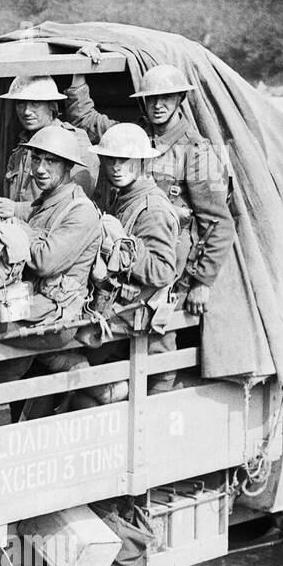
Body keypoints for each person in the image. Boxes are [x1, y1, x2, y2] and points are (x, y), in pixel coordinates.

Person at [64, 61, 235, 319]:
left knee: (155, 344)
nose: (157, 105)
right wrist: (79, 70)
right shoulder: (135, 135)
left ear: (180, 98)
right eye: (151, 98)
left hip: (168, 265)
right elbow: (86, 120)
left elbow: (219, 223)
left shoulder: (196, 152)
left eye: (166, 98)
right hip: (127, 256)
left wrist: (203, 282)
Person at [0, 126, 102, 418]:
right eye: (36, 160)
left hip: (55, 314)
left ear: (68, 166)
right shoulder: (47, 201)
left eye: (50, 162)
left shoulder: (80, 211)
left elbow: (45, 261)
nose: (39, 169)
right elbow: (31, 216)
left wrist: (17, 229)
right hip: (32, 302)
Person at [77, 123, 181, 402]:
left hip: (146, 338)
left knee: (69, 362)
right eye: (110, 159)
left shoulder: (152, 208)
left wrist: (120, 246)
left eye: (125, 160)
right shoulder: (123, 197)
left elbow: (162, 271)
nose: (116, 167)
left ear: (143, 162)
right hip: (124, 322)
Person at [0, 76, 97, 213]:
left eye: (35, 103)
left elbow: (75, 204)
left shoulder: (74, 142)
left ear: (52, 105)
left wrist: (18, 210)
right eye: (20, 103)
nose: (26, 111)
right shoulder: (21, 149)